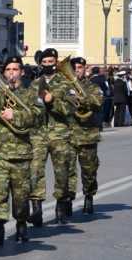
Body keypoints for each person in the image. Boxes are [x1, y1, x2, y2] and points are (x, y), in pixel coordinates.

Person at [0, 57, 39, 245]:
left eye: (15, 69)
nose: (10, 73)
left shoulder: (31, 94)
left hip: (21, 153)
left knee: (21, 195)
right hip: (0, 152)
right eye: (7, 69)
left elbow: (37, 117)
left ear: (22, 72)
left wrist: (14, 114)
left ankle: (22, 225)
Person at [29, 48, 76, 226]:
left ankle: (61, 207)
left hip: (59, 133)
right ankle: (36, 209)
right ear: (40, 63)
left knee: (62, 171)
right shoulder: (34, 84)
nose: (48, 65)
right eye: (45, 62)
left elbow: (71, 109)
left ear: (56, 62)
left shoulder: (66, 83)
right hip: (38, 134)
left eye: (51, 62)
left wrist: (53, 101)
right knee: (35, 171)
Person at [65, 58, 106, 215]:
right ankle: (67, 200)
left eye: (80, 67)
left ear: (85, 69)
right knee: (67, 170)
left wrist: (82, 98)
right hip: (68, 134)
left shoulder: (93, 87)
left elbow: (98, 101)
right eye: (74, 68)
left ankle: (88, 196)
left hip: (87, 134)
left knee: (89, 170)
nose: (77, 70)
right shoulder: (65, 87)